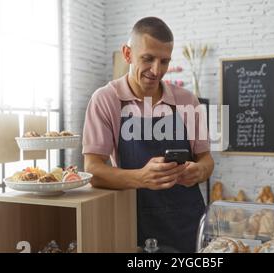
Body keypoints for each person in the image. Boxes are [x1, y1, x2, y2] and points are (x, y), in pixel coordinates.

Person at [82, 17, 214, 253]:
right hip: (135, 224)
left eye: (164, 61)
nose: (157, 70)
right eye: (148, 59)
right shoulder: (106, 99)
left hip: (188, 225)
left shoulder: (187, 101)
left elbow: (206, 160)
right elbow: (92, 170)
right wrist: (141, 178)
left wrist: (199, 171)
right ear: (127, 53)